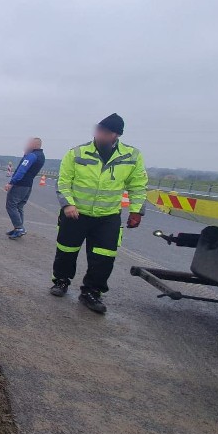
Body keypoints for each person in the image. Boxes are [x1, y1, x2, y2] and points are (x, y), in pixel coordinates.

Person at [50, 113, 148, 313]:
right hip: (75, 214)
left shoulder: (131, 157)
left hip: (107, 216)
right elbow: (63, 181)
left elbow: (138, 186)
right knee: (66, 250)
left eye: (106, 132)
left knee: (104, 257)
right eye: (99, 130)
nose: (100, 135)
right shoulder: (77, 153)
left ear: (116, 135)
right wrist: (68, 205)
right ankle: (61, 281)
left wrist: (137, 211)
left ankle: (92, 292)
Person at [4, 137, 45, 238]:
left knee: (11, 205)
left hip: (20, 184)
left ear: (35, 145)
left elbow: (22, 169)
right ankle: (18, 228)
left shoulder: (32, 156)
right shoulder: (41, 156)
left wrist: (11, 182)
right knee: (19, 206)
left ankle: (19, 228)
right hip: (28, 185)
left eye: (30, 143)